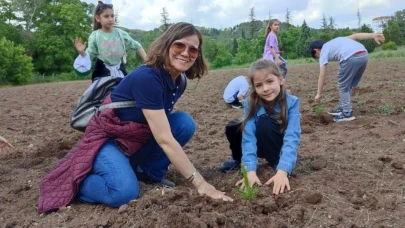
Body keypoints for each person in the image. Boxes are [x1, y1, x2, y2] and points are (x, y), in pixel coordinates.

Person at [38, 22, 232, 213]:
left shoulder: (179, 81)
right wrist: (201, 184)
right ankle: (80, 182)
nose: (185, 53)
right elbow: (164, 139)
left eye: (193, 50)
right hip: (108, 141)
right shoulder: (148, 78)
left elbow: (158, 126)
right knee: (123, 193)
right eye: (179, 45)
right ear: (167, 45)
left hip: (135, 139)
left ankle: (147, 173)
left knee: (183, 123)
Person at [220, 59, 301, 195]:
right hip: (259, 142)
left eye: (270, 81)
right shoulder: (250, 103)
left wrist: (283, 170)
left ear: (280, 80)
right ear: (254, 87)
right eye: (259, 85)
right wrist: (250, 170)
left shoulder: (291, 103)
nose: (265, 89)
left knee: (264, 122)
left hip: (277, 144)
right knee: (234, 127)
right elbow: (248, 136)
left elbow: (292, 136)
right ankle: (239, 160)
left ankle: (276, 161)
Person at [309, 33, 385, 122]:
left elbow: (322, 76)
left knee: (343, 86)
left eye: (317, 56)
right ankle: (342, 107)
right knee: (347, 84)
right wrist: (373, 35)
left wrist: (318, 94)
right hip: (363, 54)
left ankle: (347, 113)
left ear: (316, 50)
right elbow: (356, 36)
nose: (319, 58)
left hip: (350, 56)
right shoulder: (337, 40)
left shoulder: (323, 52)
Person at [73, 1, 147, 82]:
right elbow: (90, 54)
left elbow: (137, 45)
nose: (110, 19)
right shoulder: (95, 36)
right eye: (106, 16)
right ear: (98, 18)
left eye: (112, 16)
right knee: (99, 94)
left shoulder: (121, 34)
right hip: (102, 72)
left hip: (120, 71)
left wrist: (147, 61)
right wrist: (82, 53)